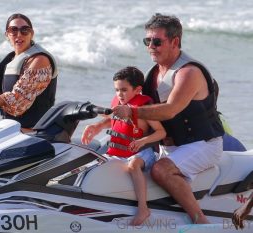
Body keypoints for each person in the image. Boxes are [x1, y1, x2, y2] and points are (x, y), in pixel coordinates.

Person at [112, 13, 225, 224]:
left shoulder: (188, 72)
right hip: (171, 146)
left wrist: (132, 113)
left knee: (160, 170)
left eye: (157, 41)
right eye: (148, 41)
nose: (151, 46)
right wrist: (101, 123)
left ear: (175, 41)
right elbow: (137, 105)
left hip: (203, 144)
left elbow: (169, 110)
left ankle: (200, 220)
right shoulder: (153, 73)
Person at [81, 66, 166, 225]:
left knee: (133, 165)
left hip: (142, 152)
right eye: (116, 90)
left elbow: (161, 132)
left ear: (137, 90)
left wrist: (142, 141)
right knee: (93, 163)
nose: (119, 94)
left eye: (124, 90)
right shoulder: (119, 103)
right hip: (119, 151)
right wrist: (97, 126)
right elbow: (112, 119)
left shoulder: (143, 108)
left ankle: (143, 209)